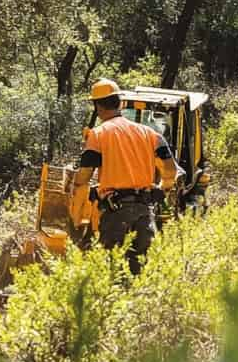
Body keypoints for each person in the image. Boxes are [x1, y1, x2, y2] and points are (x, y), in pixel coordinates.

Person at [75, 79, 184, 274]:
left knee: (113, 272)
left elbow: (83, 178)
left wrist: (81, 203)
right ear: (122, 103)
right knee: (140, 272)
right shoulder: (150, 134)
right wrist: (161, 189)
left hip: (115, 213)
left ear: (97, 107)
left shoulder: (97, 135)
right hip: (145, 212)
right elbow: (170, 172)